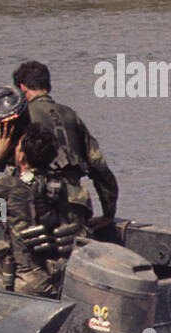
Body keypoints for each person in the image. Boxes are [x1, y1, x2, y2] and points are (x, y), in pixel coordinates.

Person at [0, 121, 75, 298]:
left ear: (22, 157)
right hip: (57, 280)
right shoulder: (60, 185)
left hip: (25, 284)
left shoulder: (13, 186)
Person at [13, 60, 118, 232]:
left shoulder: (22, 117)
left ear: (22, 88)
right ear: (48, 86)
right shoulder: (70, 115)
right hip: (75, 203)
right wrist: (108, 213)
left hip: (34, 203)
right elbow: (99, 167)